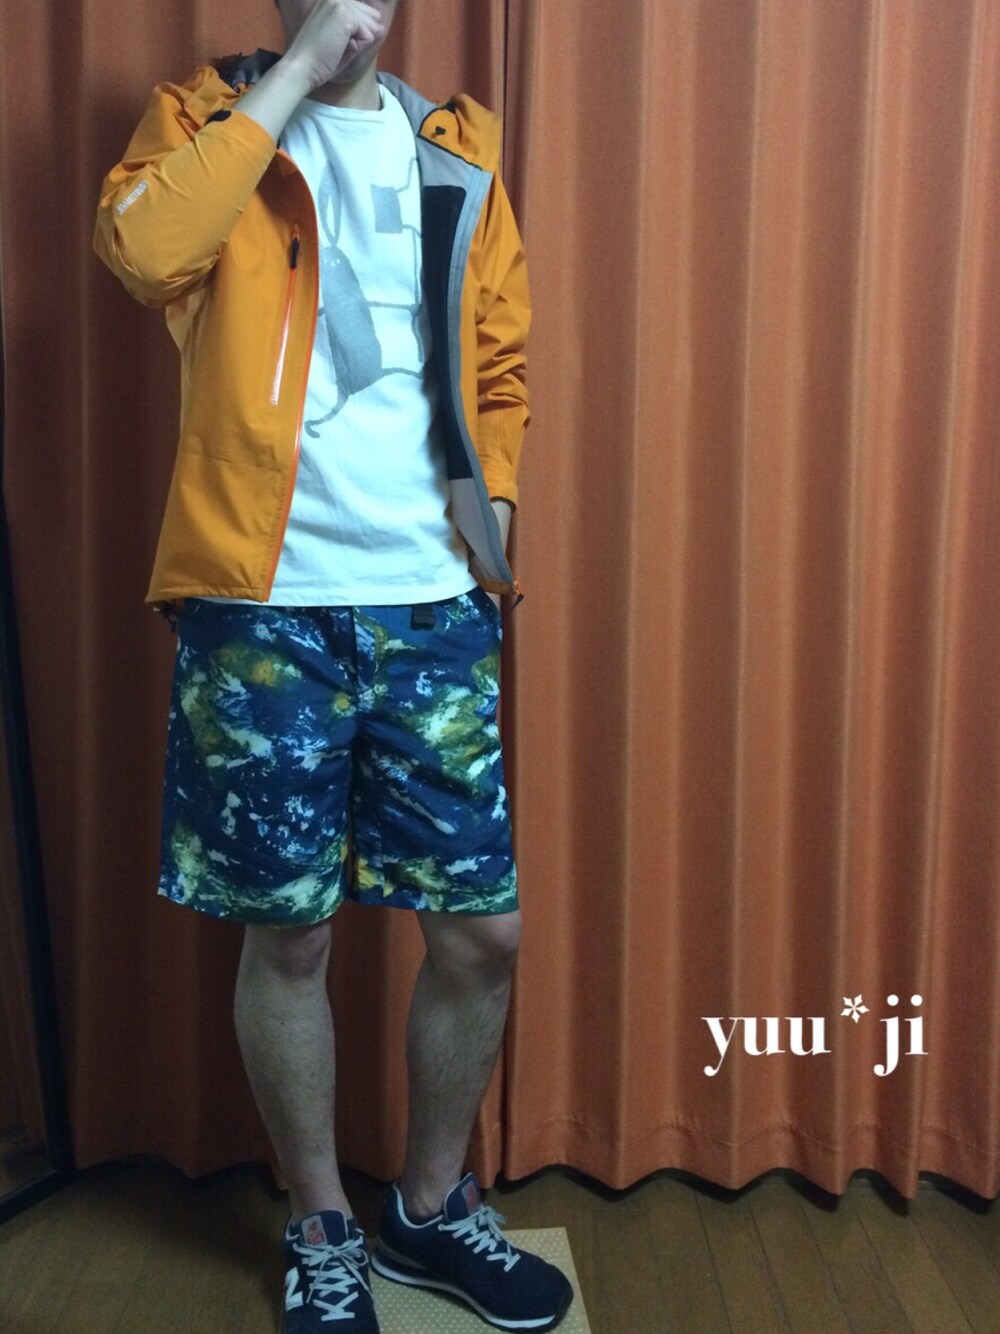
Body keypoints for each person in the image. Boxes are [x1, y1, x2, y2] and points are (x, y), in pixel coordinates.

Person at [93, 1, 573, 1330]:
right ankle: (319, 1225)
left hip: (432, 604)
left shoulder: (454, 150)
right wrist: (298, 74)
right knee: (290, 933)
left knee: (481, 931)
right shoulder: (204, 120)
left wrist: (495, 517)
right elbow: (141, 251)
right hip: (262, 611)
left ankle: (427, 1207)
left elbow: (500, 357)